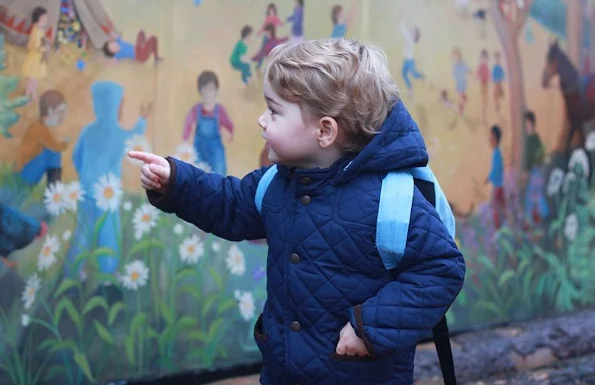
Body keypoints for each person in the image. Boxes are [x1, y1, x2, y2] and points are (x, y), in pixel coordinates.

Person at [130, 38, 465, 385]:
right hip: (283, 371)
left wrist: (370, 328)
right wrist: (176, 182)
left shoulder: (391, 200)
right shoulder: (277, 183)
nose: (262, 120)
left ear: (324, 130)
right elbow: (229, 204)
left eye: (274, 111)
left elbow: (441, 270)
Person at [22, 6, 50, 101]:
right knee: (32, 80)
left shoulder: (39, 29)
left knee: (34, 79)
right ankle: (27, 96)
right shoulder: (36, 31)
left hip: (37, 58)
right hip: (34, 59)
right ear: (38, 18)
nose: (46, 19)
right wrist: (45, 48)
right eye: (44, 18)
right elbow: (36, 46)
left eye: (46, 17)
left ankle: (33, 94)